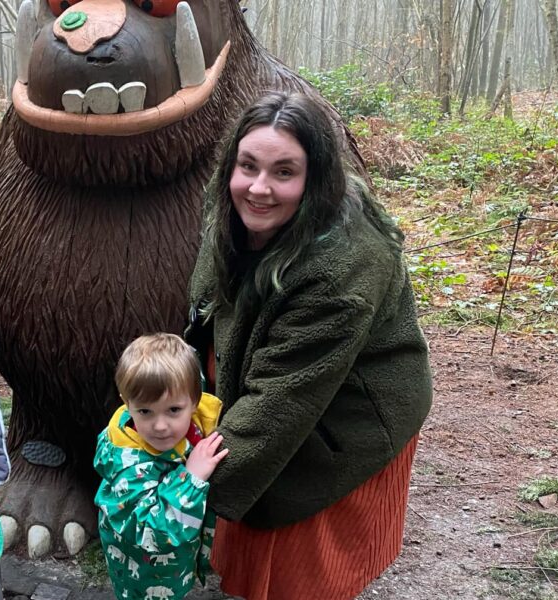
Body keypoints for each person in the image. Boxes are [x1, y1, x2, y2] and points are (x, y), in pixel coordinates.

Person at [185, 91, 433, 600]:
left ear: (314, 178)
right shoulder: (233, 216)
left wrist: (181, 491)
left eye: (283, 172)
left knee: (297, 562)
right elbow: (207, 306)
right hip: (264, 388)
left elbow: (283, 399)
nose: (258, 187)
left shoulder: (341, 270)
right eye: (247, 166)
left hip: (345, 413)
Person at [93, 333, 227, 600]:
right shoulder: (126, 465)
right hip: (141, 576)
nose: (161, 425)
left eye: (174, 410)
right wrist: (191, 479)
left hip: (177, 565)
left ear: (195, 400)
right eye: (145, 411)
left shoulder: (198, 424)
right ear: (127, 403)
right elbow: (151, 530)